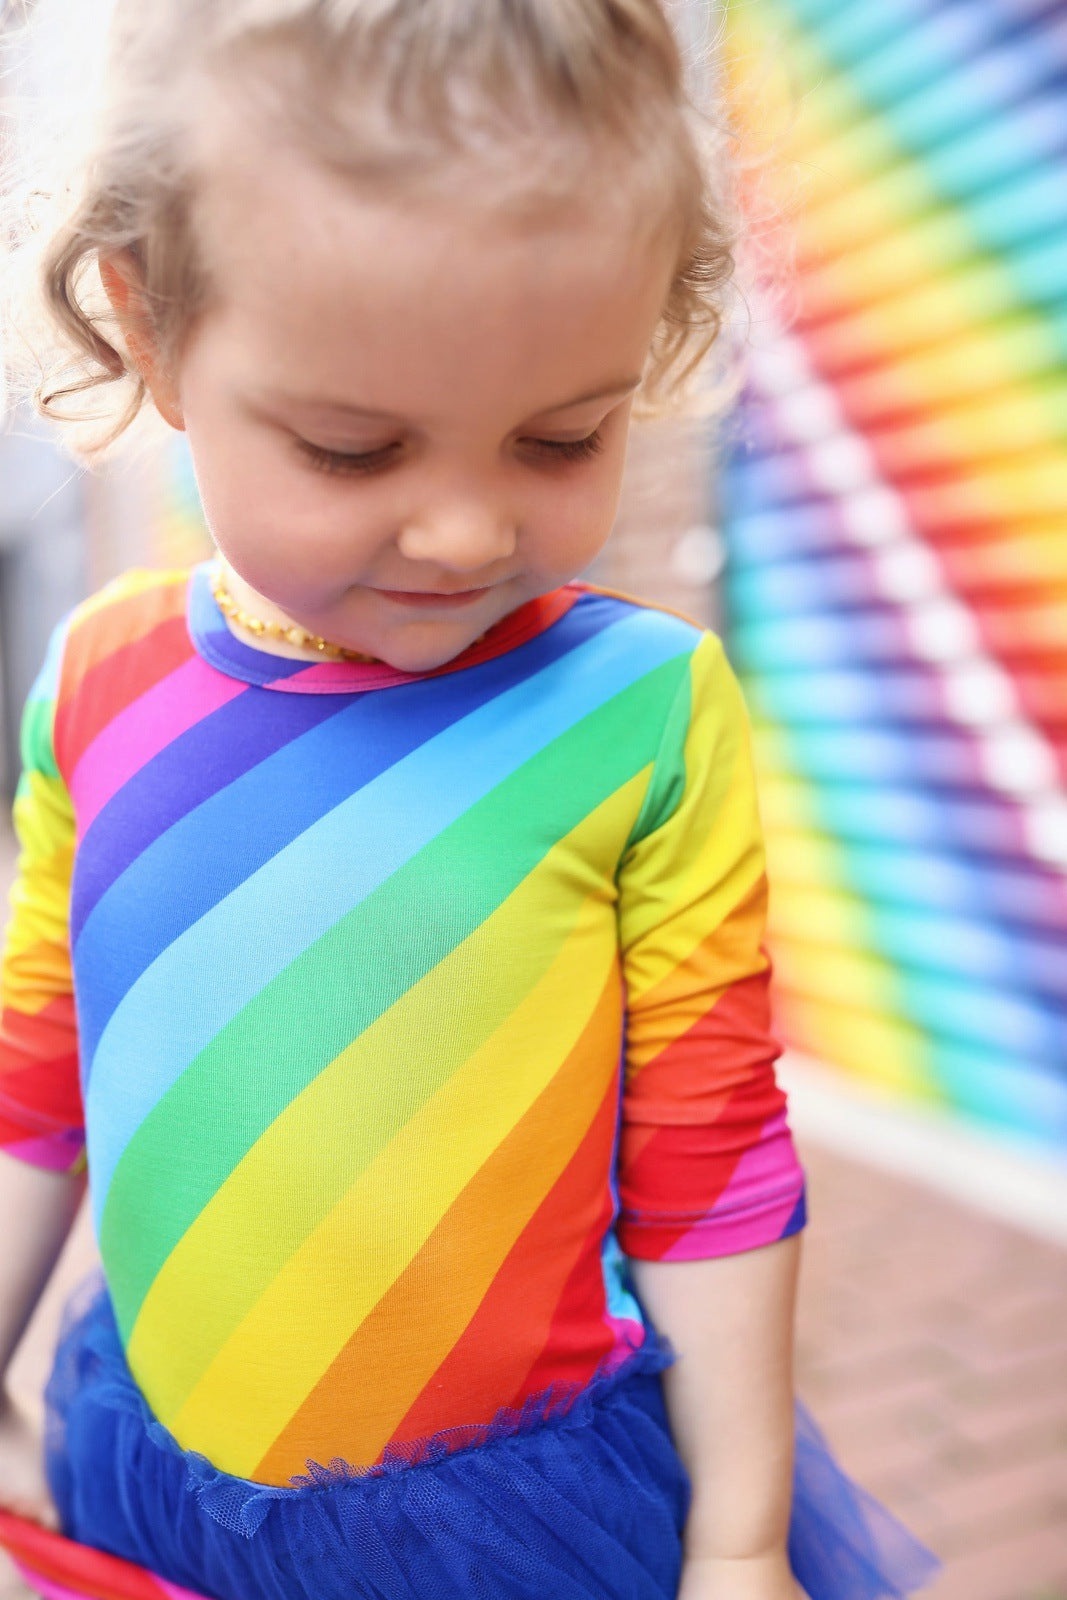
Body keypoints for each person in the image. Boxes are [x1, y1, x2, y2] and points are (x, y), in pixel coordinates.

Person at [0, 3, 940, 1598]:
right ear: (147, 327)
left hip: (496, 1535)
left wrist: (741, 1537)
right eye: (355, 450)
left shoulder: (642, 713)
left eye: (560, 435)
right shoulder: (98, 678)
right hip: (148, 1472)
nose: (460, 534)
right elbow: (37, 1080)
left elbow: (711, 1154)